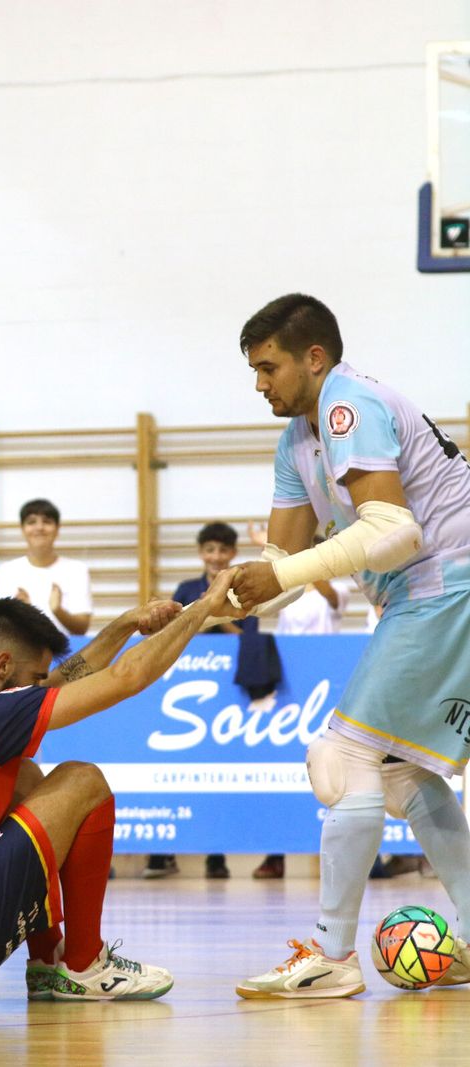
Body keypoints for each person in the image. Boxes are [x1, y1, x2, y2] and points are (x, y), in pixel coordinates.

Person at [228, 293, 470, 998]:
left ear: (314, 356)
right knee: (398, 771)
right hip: (431, 593)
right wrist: (208, 604)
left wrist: (276, 572)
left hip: (444, 585)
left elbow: (395, 533)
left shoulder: (347, 405)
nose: (258, 384)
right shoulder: (295, 439)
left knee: (341, 755)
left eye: (268, 367)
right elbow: (280, 561)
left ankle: (333, 957)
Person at [0, 582, 228, 1000]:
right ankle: (85, 964)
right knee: (83, 779)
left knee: (23, 775)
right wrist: (202, 609)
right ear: (3, 666)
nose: (41, 686)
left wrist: (127, 622)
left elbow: (58, 683)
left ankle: (45, 962)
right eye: (33, 677)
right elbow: (128, 677)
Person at [146, 522, 254, 880]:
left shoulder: (245, 590)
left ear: (233, 554)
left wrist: (215, 610)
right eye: (210, 549)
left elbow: (248, 638)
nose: (216, 556)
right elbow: (172, 633)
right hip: (187, 688)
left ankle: (216, 855)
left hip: (227, 691)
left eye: (223, 550)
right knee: (172, 769)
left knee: (218, 773)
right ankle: (161, 855)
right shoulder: (186, 589)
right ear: (200, 552)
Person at [0, 499, 93, 636]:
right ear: (22, 529)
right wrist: (23, 613)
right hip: (24, 654)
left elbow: (82, 628)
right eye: (31, 522)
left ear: (57, 529)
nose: (39, 527)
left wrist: (58, 611)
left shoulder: (77, 570)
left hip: (69, 654)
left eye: (47, 521)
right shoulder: (7, 571)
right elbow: (2, 630)